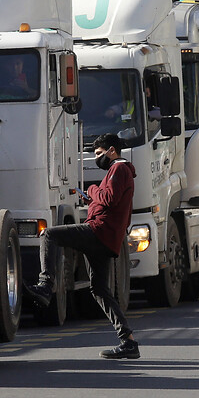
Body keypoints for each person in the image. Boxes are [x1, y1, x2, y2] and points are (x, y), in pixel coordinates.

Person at [26, 132, 140, 359]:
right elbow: (110, 200)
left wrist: (91, 190)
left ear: (111, 151)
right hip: (106, 237)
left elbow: (109, 198)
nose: (97, 158)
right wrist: (93, 199)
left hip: (99, 232)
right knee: (99, 289)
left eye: (99, 153)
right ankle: (128, 341)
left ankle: (45, 286)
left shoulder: (119, 168)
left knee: (49, 235)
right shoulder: (120, 171)